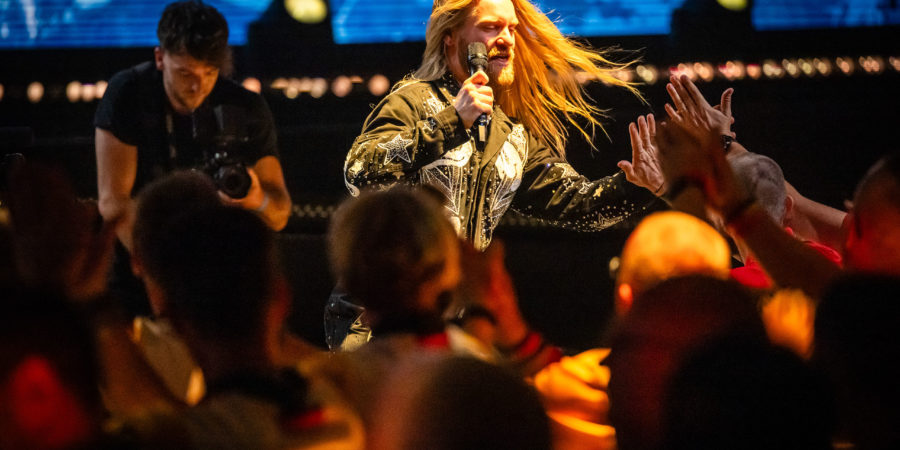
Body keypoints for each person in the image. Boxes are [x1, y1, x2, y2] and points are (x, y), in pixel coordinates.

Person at [342, 0, 664, 252]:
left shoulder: (510, 136)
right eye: (491, 27)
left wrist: (638, 184)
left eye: (511, 29)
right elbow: (358, 170)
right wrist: (452, 122)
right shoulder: (412, 101)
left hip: (451, 307)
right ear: (450, 36)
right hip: (380, 306)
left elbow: (579, 206)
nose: (507, 39)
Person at [94, 0, 291, 316]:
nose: (198, 85)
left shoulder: (245, 107)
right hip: (141, 281)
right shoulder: (129, 93)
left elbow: (279, 214)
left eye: (210, 72)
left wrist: (257, 200)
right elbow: (114, 203)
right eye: (185, 72)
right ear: (160, 58)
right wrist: (170, 278)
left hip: (221, 283)